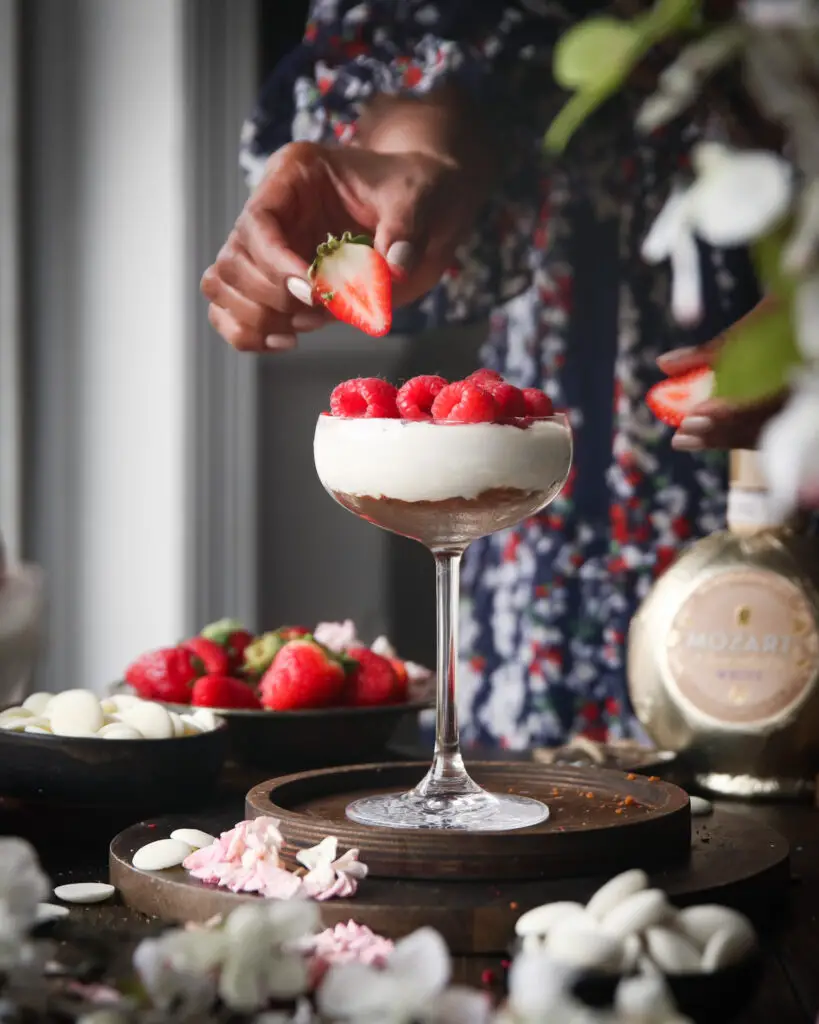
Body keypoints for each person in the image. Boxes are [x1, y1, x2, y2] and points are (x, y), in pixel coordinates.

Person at [201, 0, 785, 749]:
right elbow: (433, 27)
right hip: (551, 404)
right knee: (538, 820)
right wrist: (419, 157)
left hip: (764, 387)